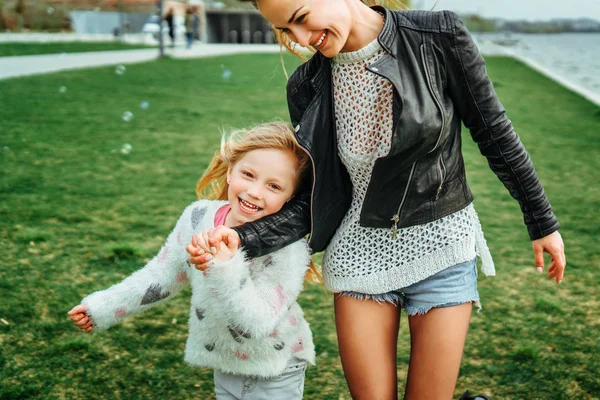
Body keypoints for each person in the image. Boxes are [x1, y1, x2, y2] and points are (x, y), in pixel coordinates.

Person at [188, 1, 567, 399]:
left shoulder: (436, 37)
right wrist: (243, 239)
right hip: (357, 256)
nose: (300, 40)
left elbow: (495, 134)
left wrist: (542, 222)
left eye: (300, 19)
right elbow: (318, 196)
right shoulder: (306, 85)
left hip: (443, 245)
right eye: (286, 31)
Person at [68, 122, 317, 400]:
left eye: (274, 185)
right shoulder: (198, 217)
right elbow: (160, 275)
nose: (256, 192)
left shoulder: (289, 249)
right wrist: (102, 307)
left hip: (274, 370)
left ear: (291, 198)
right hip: (224, 363)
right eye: (248, 174)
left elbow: (255, 326)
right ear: (231, 171)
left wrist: (224, 266)